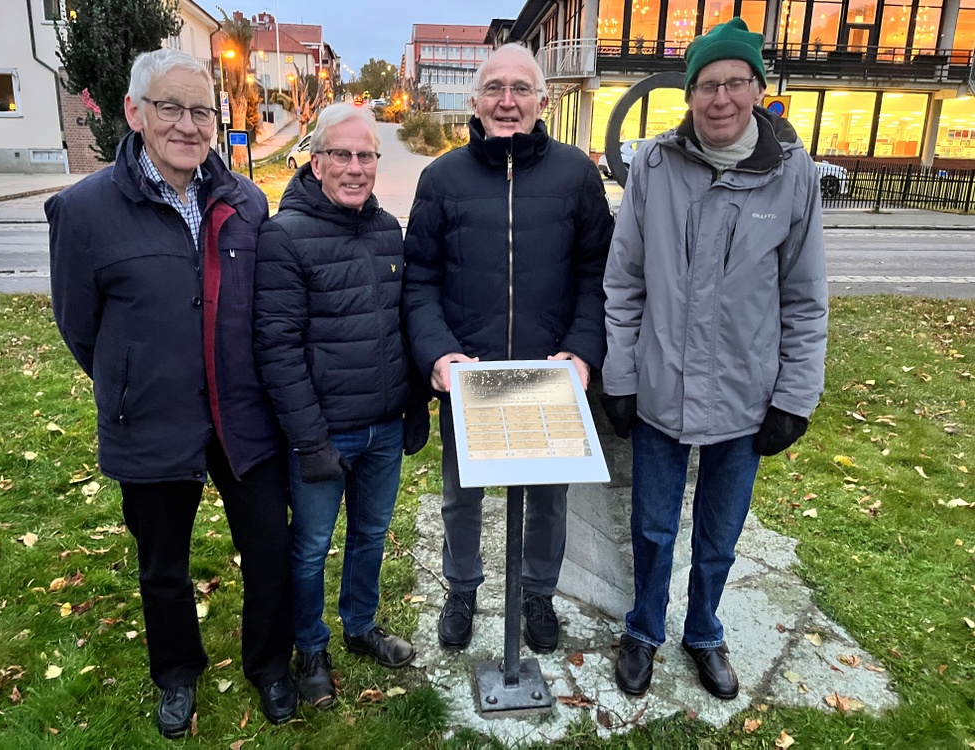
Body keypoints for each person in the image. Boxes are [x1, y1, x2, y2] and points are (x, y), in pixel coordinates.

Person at [46, 48, 296, 738]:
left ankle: (270, 664)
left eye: (202, 110)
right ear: (134, 112)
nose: (188, 125)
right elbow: (78, 324)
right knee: (163, 566)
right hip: (149, 419)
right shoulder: (85, 210)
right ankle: (177, 675)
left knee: (270, 548)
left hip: (242, 412)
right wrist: (133, 376)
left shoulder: (245, 200)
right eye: (170, 107)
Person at [601, 18, 828, 700]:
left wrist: (794, 397)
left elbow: (805, 298)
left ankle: (704, 630)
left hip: (745, 392)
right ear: (690, 92)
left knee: (721, 532)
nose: (720, 98)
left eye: (734, 82)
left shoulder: (794, 175)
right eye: (706, 85)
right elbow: (625, 280)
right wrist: (620, 377)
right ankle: (644, 628)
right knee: (651, 523)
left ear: (757, 88)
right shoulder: (656, 165)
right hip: (661, 386)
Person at [403, 43, 614, 653]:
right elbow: (419, 280)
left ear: (543, 100)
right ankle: (462, 586)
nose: (507, 101)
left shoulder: (575, 175)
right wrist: (438, 354)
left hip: (550, 376)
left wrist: (581, 352)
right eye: (494, 88)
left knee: (550, 499)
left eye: (521, 88)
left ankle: (537, 594)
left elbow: (594, 275)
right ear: (473, 101)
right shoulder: (441, 178)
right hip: (471, 375)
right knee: (460, 496)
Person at [253, 103, 429, 709]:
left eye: (366, 156)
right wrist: (309, 440)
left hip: (382, 427)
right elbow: (276, 348)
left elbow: (399, 326)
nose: (355, 168)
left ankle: (360, 627)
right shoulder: (284, 236)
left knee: (371, 536)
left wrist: (413, 406)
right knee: (309, 547)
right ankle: (312, 648)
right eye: (341, 155)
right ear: (317, 159)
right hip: (325, 433)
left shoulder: (386, 230)